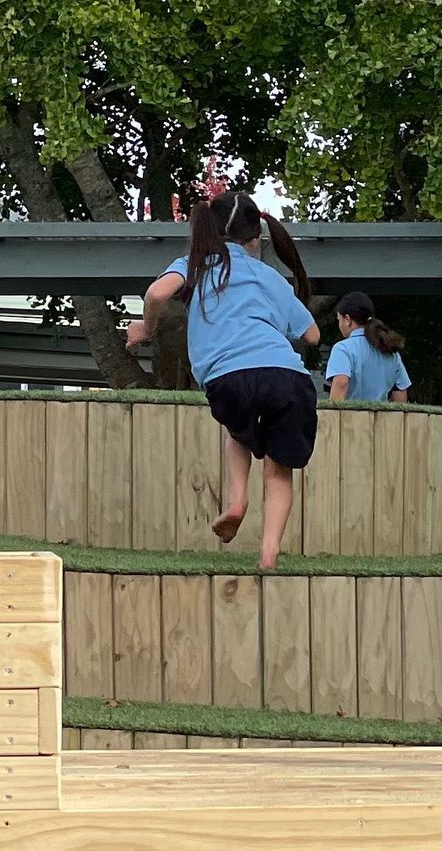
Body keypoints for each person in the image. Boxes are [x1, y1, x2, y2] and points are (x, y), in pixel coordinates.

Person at [126, 193, 323, 569]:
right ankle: (268, 551)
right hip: (288, 376)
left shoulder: (195, 264)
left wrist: (146, 328)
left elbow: (156, 293)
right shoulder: (267, 276)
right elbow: (312, 335)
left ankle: (236, 500)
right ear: (256, 240)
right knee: (279, 471)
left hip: (229, 377)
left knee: (238, 431)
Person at [324, 292, 411, 403]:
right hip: (382, 418)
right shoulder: (389, 349)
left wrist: (333, 416)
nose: (339, 325)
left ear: (347, 319)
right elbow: (401, 391)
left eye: (339, 319)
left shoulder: (343, 349)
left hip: (351, 418)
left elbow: (341, 383)